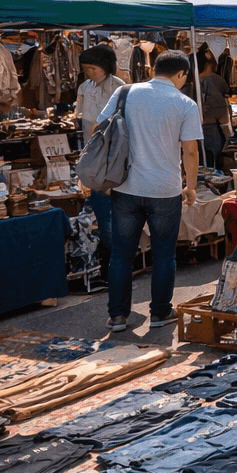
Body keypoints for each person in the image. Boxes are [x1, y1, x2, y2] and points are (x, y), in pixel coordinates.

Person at [97, 51, 202, 333]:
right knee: (164, 254)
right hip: (165, 190)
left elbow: (100, 128)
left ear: (154, 68)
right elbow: (190, 150)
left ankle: (118, 316)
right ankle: (159, 313)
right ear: (181, 75)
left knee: (121, 254)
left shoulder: (125, 92)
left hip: (125, 186)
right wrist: (190, 187)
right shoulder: (184, 103)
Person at [77, 44, 125, 257]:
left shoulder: (119, 87)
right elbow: (84, 122)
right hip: (92, 158)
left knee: (113, 217)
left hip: (114, 157)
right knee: (101, 213)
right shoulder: (85, 87)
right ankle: (113, 261)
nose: (88, 73)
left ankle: (120, 263)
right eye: (85, 68)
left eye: (92, 68)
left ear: (106, 67)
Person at [195, 51, 232, 169]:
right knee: (213, 168)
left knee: (198, 166)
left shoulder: (191, 83)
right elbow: (222, 112)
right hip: (212, 130)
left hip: (194, 131)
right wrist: (229, 134)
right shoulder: (217, 80)